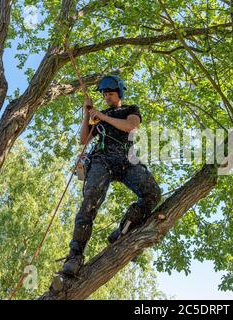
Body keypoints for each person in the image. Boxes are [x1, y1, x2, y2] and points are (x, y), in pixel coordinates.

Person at [62, 75, 161, 276]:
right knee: (90, 200)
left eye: (110, 93)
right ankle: (75, 255)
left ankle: (123, 230)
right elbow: (83, 140)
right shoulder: (98, 115)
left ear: (120, 93)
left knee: (152, 193)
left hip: (126, 160)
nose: (107, 97)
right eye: (105, 94)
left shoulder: (130, 110)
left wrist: (102, 116)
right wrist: (87, 114)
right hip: (102, 160)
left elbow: (131, 126)